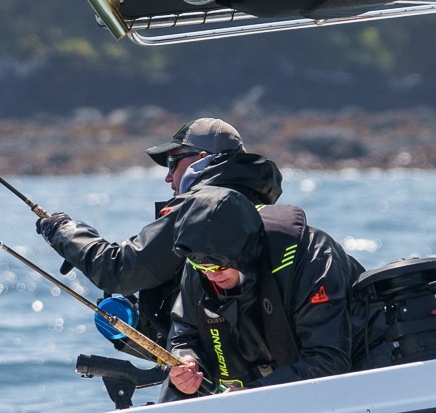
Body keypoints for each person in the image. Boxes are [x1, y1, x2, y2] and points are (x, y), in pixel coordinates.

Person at [34, 118, 279, 346]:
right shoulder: (255, 206)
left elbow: (120, 271)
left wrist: (62, 231)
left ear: (201, 159)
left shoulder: (202, 210)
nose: (168, 176)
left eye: (173, 163)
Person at [162, 178, 384, 397]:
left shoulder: (314, 261)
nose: (210, 274)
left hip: (363, 374)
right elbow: (184, 334)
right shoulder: (200, 261)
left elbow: (329, 359)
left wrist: (254, 392)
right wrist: (188, 361)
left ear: (244, 252)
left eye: (219, 267)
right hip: (272, 385)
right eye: (200, 266)